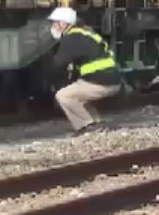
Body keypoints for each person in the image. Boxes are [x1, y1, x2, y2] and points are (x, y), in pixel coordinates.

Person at [48, 7, 124, 135]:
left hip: (100, 83)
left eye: (56, 23)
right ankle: (96, 123)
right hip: (114, 81)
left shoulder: (71, 38)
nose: (53, 26)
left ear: (64, 24)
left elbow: (57, 64)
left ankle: (88, 126)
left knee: (63, 96)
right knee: (79, 95)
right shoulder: (87, 33)